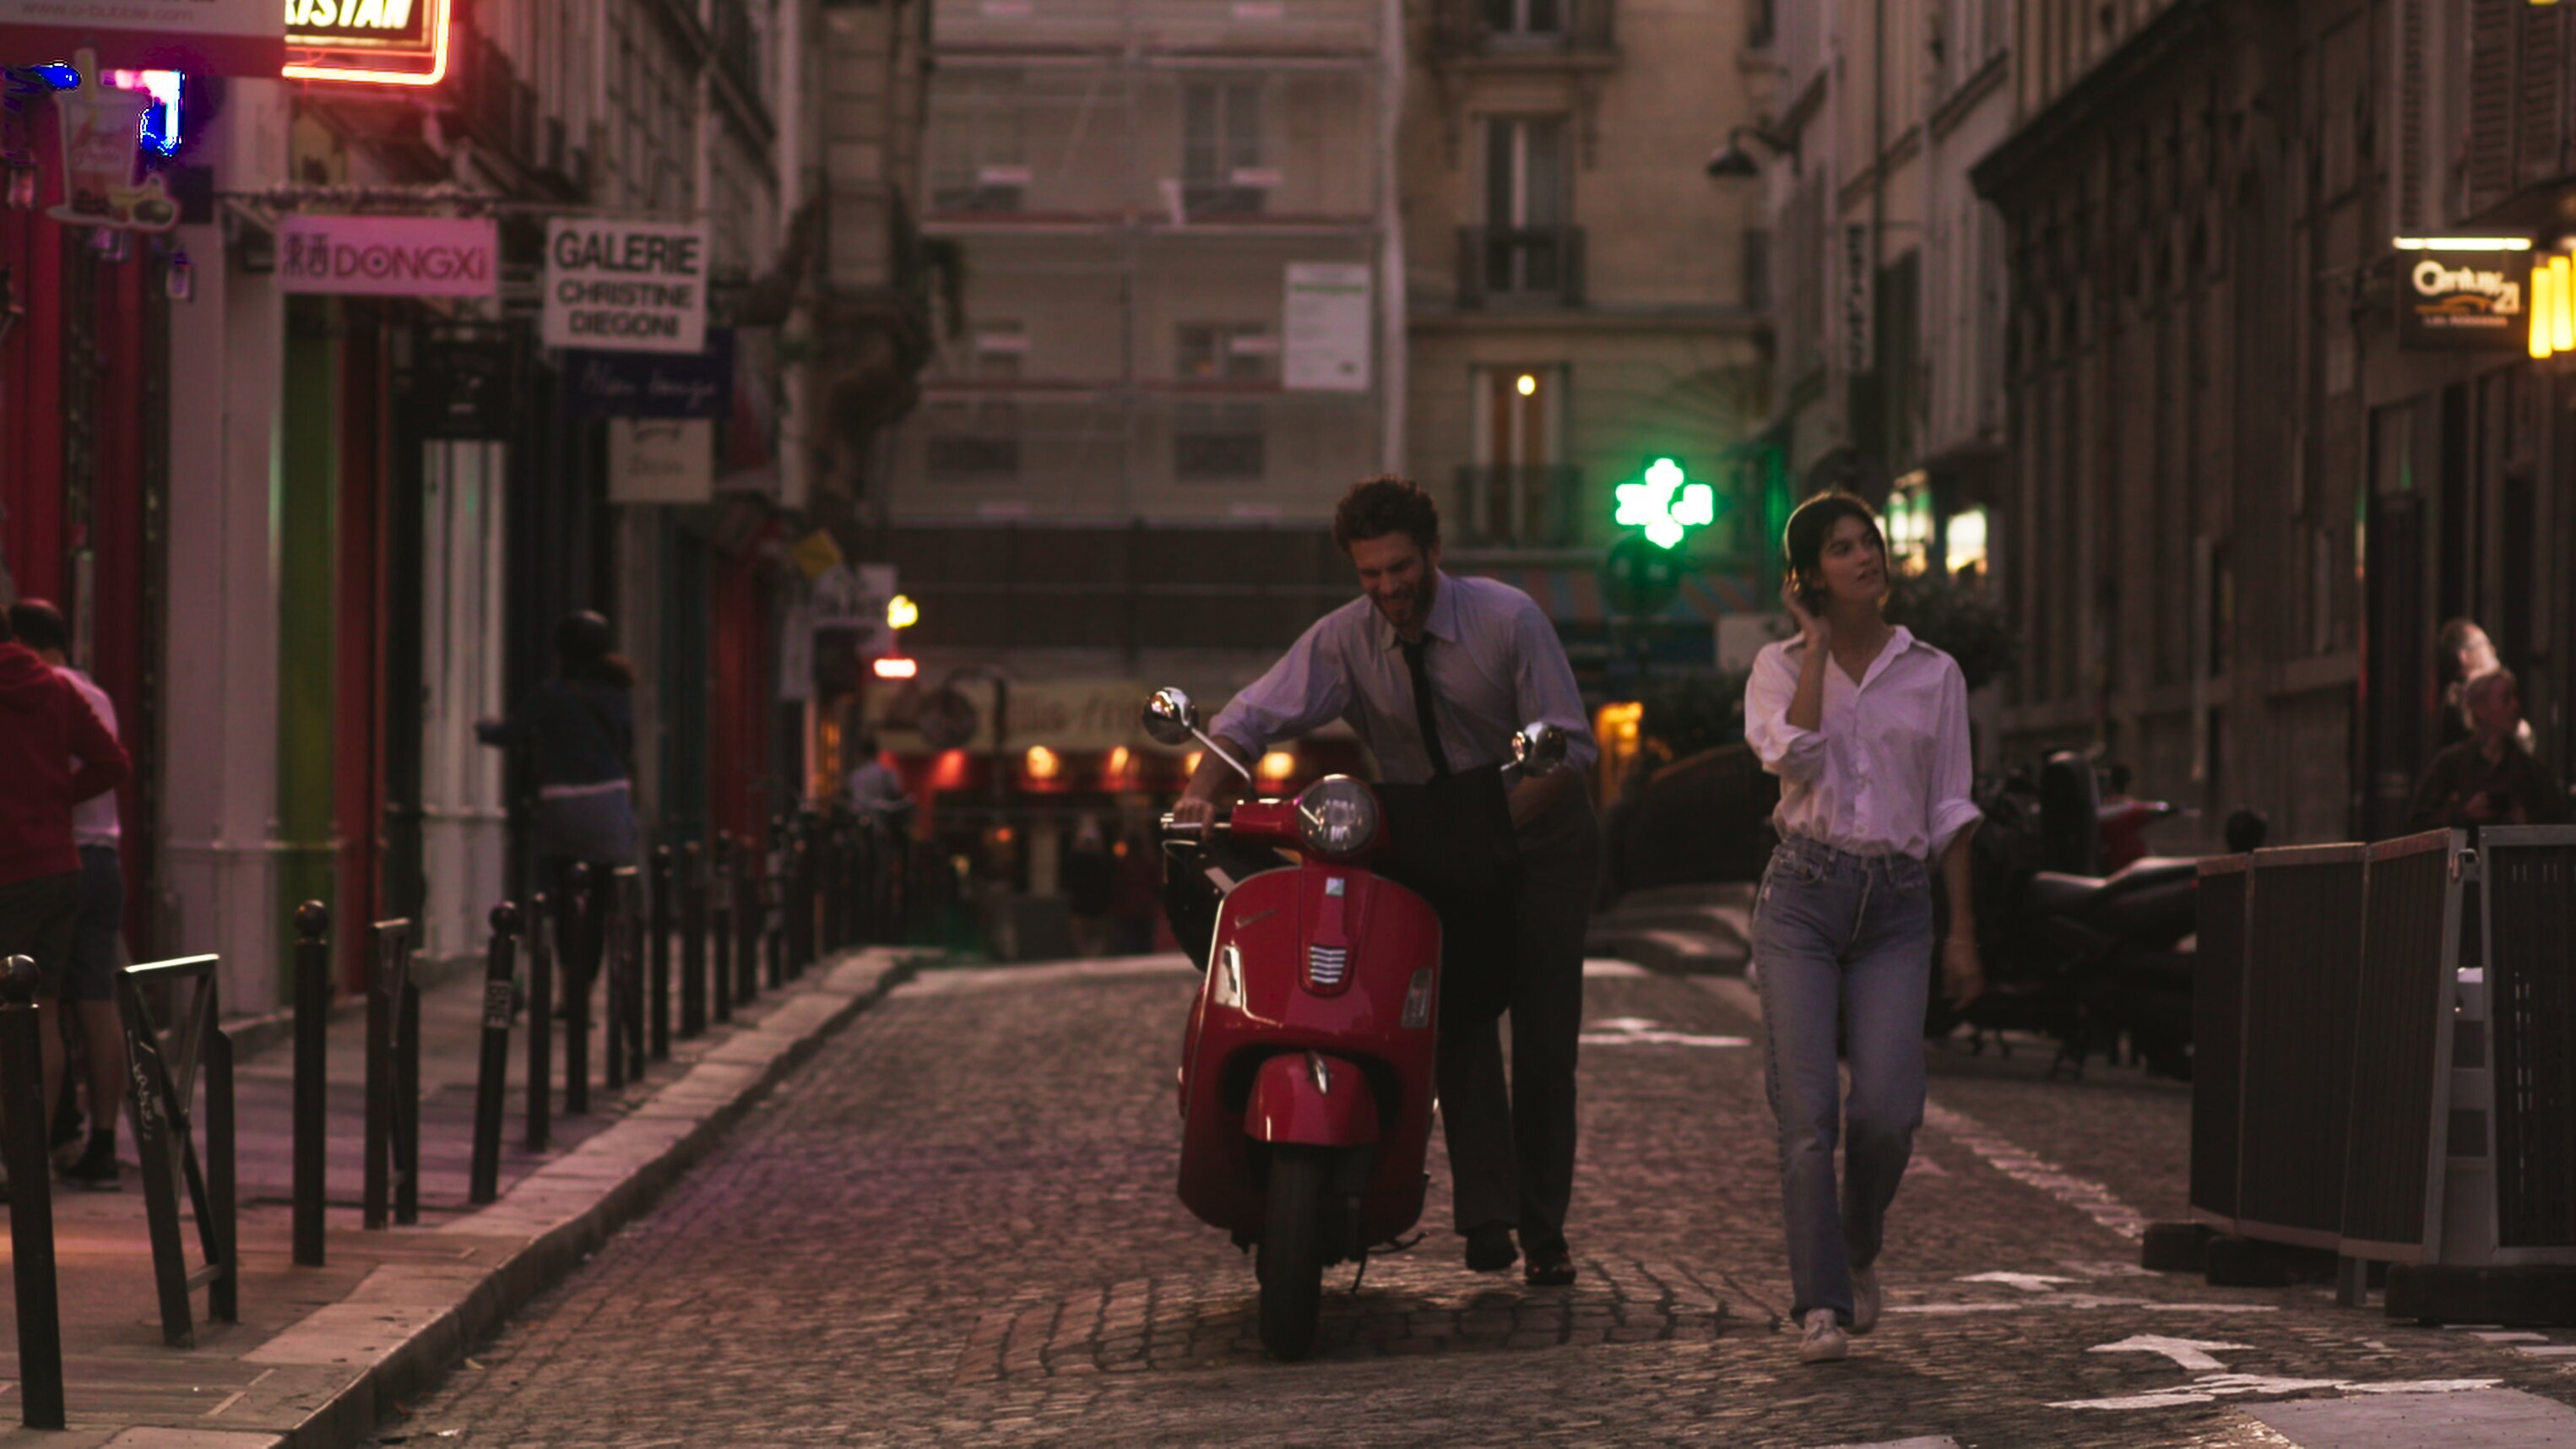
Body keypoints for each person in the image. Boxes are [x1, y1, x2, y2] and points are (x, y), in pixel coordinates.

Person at [1172, 475, 1600, 1287]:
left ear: (1433, 553)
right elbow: (1250, 718)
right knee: (1453, 1018)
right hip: (1431, 831)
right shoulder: (1344, 639)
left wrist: (1485, 830)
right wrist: (1200, 792)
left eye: (1400, 568)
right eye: (1369, 575)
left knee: (1546, 1039)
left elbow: (1570, 750)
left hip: (1536, 831)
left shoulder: (1508, 620)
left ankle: (1546, 1232)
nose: (1388, 589)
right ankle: (1488, 1216)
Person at [1743, 491, 1983, 1365]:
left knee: (1887, 1111)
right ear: (1808, 575)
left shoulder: (1934, 673)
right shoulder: (1776, 666)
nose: (1864, 557)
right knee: (1807, 1114)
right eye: (1841, 548)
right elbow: (1793, 756)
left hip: (1896, 905)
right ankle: (1821, 1304)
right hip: (1802, 897)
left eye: (1868, 542)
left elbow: (1951, 808)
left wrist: (1962, 933)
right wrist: (1813, 648)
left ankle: (1857, 1241)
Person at [0, 602, 129, 1202]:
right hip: (62, 863)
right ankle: (30, 1155)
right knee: (45, 1012)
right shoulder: (58, 688)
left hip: (10, 868)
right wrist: (55, 798)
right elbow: (112, 761)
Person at [477, 612, 638, 999]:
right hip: (609, 802)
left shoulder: (551, 693)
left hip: (564, 805)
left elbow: (509, 734)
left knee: (566, 898)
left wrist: (483, 726)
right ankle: (585, 988)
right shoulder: (618, 693)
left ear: (561, 652)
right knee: (597, 903)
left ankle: (568, 984)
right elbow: (627, 745)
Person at [2407, 668, 2568, 832]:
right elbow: (2418, 823)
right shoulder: (2450, 764)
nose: (2516, 706)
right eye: (2506, 699)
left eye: (2516, 697)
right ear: (2480, 709)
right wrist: (2464, 814)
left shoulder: (2530, 770)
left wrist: (2527, 821)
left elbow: (2561, 823)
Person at [845, 733, 911, 822]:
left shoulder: (855, 776)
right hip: (881, 820)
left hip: (859, 821)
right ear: (877, 752)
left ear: (860, 753)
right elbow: (897, 793)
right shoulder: (887, 773)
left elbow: (853, 802)